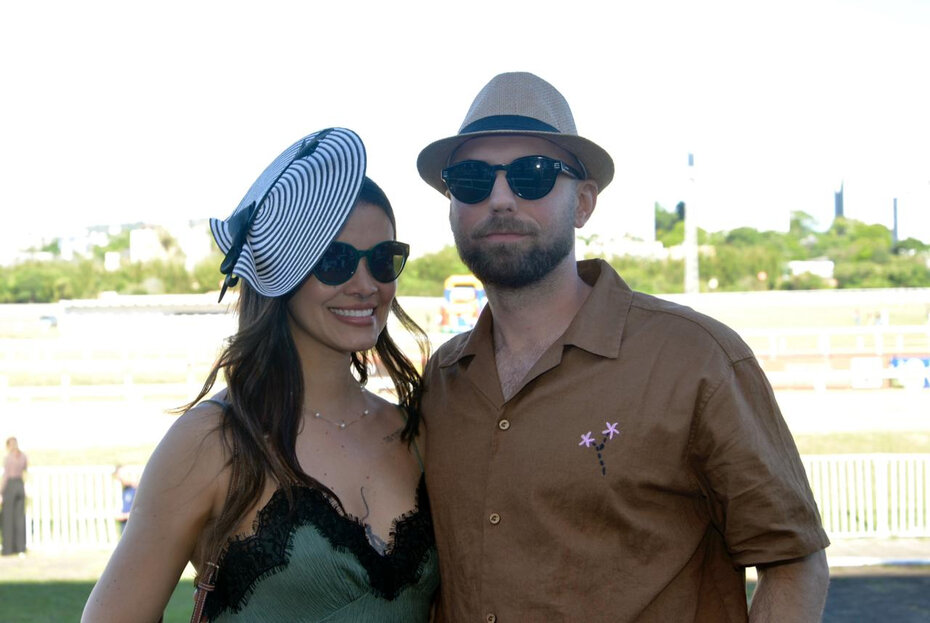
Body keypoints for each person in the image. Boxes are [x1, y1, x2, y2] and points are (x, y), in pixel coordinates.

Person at [416, 72, 830, 622]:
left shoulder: (694, 359)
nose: (499, 198)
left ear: (583, 203)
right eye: (470, 180)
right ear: (451, 205)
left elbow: (793, 562)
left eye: (532, 176)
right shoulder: (442, 380)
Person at [83, 128, 438, 622]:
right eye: (334, 261)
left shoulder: (417, 434)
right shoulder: (212, 442)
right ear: (280, 270)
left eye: (384, 260)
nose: (365, 285)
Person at [1, 436, 28, 556]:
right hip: (20, 486)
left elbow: (6, 476)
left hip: (11, 486)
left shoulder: (9, 458)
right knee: (19, 518)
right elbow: (25, 472)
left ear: (8, 446)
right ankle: (21, 548)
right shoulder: (23, 457)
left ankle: (8, 549)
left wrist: (0, 491)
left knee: (7, 518)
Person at [112, 464, 139, 535]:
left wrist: (124, 516)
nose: (120, 481)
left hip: (135, 529)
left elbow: (140, 512)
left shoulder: (138, 490)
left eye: (121, 478)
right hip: (125, 530)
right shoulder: (126, 490)